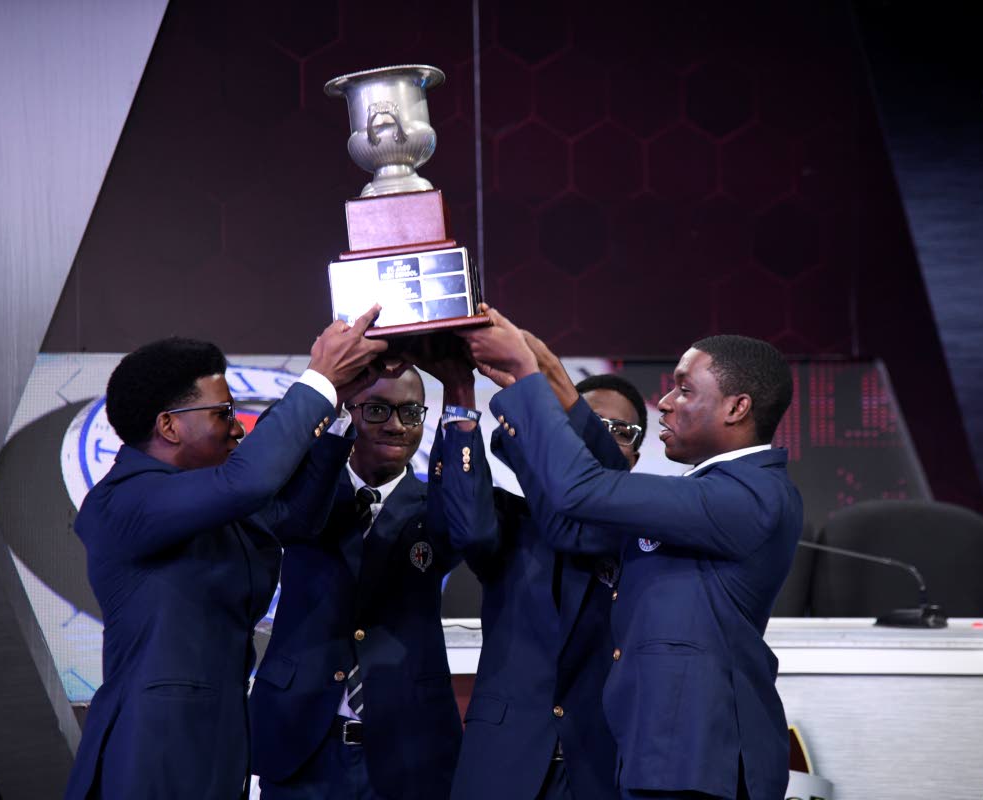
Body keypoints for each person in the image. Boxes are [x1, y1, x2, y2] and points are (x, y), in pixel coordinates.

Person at [461, 309, 802, 800]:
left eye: (685, 390)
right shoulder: (704, 493)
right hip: (655, 759)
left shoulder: (750, 495)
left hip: (699, 763)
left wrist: (526, 381)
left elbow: (583, 490)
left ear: (736, 408)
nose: (663, 402)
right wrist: (554, 377)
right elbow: (575, 521)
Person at [64, 308, 387, 800]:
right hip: (151, 755)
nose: (238, 429)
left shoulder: (210, 503)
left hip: (217, 750)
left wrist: (338, 403)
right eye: (223, 414)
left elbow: (295, 520)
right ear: (169, 426)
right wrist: (318, 379)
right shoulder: (122, 501)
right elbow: (251, 481)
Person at [250, 358, 488, 800]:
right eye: (377, 409)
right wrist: (333, 391)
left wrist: (460, 397)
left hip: (410, 753)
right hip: (301, 745)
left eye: (411, 412)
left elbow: (472, 531)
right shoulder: (307, 494)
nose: (397, 425)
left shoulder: (437, 505)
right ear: (348, 413)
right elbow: (289, 514)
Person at [439, 329, 649, 800]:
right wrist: (459, 398)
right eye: (590, 423)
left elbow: (600, 485)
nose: (609, 437)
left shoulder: (647, 534)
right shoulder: (513, 521)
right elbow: (467, 529)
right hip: (502, 761)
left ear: (637, 453)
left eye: (624, 431)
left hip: (599, 765)